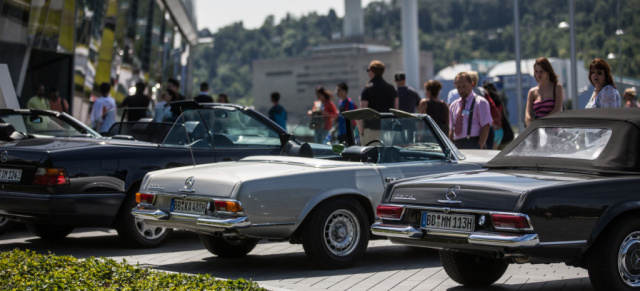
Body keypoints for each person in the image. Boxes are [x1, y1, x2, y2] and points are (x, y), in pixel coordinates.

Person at [448, 72, 493, 149]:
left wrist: (479, 146)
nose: (461, 90)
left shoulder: (480, 102)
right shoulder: (453, 105)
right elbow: (451, 129)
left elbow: (486, 126)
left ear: (472, 84)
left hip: (474, 142)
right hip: (457, 144)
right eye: (459, 87)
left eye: (464, 87)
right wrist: (451, 147)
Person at [359, 60, 398, 145]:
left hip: (372, 128)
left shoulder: (367, 89)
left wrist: (361, 131)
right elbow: (396, 109)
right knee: (385, 155)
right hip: (388, 129)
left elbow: (362, 112)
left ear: (372, 71)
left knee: (371, 155)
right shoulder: (391, 88)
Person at [525, 57, 564, 126]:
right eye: (536, 71)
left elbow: (557, 110)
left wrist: (541, 122)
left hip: (554, 129)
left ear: (548, 71)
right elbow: (528, 114)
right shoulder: (532, 92)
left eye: (541, 71)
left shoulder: (557, 87)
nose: (539, 74)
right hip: (538, 130)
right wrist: (530, 124)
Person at [469, 71, 497, 149]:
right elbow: (492, 106)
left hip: (474, 130)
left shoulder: (466, 94)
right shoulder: (482, 91)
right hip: (486, 125)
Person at [483, 82, 504, 149]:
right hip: (500, 131)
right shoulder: (498, 102)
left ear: (487, 90)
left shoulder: (486, 102)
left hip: (492, 130)